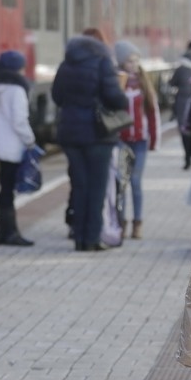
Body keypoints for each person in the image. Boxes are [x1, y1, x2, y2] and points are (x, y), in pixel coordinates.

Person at [52, 29, 128, 251]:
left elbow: (57, 97)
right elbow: (114, 98)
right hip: (98, 134)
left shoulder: (65, 65)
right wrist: (121, 99)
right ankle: (92, 239)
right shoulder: (102, 62)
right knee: (96, 188)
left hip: (70, 134)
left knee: (79, 185)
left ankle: (78, 238)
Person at [0, 50, 38, 246]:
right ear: (18, 69)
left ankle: (4, 231)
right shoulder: (17, 90)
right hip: (13, 146)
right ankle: (9, 233)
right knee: (8, 190)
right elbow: (19, 121)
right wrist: (30, 141)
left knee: (4, 188)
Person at [114, 41, 160, 240]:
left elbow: (152, 112)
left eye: (135, 60)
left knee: (135, 182)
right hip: (121, 141)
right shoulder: (117, 82)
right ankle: (120, 222)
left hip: (140, 141)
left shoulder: (144, 82)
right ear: (122, 63)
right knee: (121, 183)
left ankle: (138, 222)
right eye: (129, 61)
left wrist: (154, 140)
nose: (133, 64)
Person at [169, 40, 191, 170]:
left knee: (184, 130)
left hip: (183, 101)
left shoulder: (182, 66)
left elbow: (172, 83)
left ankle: (187, 157)